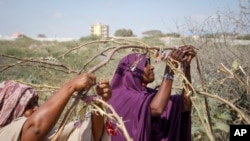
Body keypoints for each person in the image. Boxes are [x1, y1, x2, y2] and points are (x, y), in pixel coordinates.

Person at [108, 45, 196, 141]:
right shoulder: (121, 96)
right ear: (131, 71)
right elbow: (157, 108)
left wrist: (186, 66)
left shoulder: (147, 94)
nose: (152, 67)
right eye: (145, 64)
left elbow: (185, 105)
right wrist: (169, 71)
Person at [0, 73, 112, 141]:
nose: (37, 108)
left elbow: (91, 135)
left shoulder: (49, 135)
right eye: (28, 105)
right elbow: (34, 129)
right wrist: (70, 86)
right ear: (9, 109)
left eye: (36, 103)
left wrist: (99, 101)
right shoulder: (5, 134)